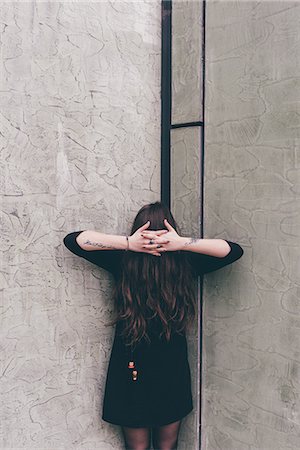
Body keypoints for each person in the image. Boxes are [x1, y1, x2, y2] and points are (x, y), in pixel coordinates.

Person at [63, 201, 244, 450]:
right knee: (167, 447)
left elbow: (75, 241)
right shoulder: (182, 263)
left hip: (133, 368)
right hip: (162, 369)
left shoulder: (125, 261)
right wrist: (176, 244)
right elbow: (74, 240)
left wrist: (132, 244)